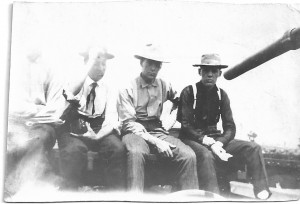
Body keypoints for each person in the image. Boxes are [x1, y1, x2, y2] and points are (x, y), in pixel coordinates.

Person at [177, 53, 271, 200]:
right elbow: (186, 125)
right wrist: (207, 141)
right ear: (199, 72)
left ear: (219, 74)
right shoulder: (189, 92)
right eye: (206, 71)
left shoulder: (221, 95)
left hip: (215, 138)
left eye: (214, 71)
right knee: (207, 156)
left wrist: (220, 142)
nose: (209, 75)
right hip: (192, 139)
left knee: (253, 148)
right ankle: (213, 196)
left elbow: (230, 127)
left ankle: (261, 191)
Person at [117, 44, 198, 192]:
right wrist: (157, 142)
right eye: (149, 63)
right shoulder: (128, 87)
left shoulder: (164, 85)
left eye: (157, 65)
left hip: (157, 129)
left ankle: (190, 199)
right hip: (134, 131)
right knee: (136, 153)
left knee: (188, 155)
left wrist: (171, 120)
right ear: (141, 63)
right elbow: (128, 123)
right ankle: (135, 199)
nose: (153, 68)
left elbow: (179, 100)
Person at [58, 46, 126, 191]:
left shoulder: (110, 86)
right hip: (73, 127)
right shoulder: (76, 80)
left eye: (103, 64)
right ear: (87, 64)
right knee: (73, 151)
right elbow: (70, 93)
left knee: (116, 149)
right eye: (96, 63)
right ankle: (69, 194)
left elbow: (112, 118)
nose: (101, 69)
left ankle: (114, 196)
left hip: (98, 128)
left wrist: (97, 136)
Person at [5, 50, 66, 197]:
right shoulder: (12, 61)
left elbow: (55, 110)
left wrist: (26, 112)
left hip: (44, 126)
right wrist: (37, 109)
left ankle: (16, 188)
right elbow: (9, 106)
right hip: (14, 123)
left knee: (36, 139)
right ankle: (38, 184)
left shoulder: (53, 67)